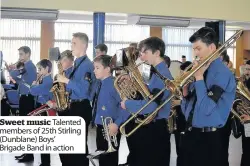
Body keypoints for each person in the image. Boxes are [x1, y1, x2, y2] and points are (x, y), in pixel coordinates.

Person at [180, 27, 236, 166]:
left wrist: (198, 78)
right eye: (194, 49)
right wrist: (185, 93)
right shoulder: (202, 69)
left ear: (211, 47)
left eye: (198, 49)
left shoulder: (222, 73)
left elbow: (206, 108)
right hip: (191, 134)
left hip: (209, 139)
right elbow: (188, 111)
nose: (195, 53)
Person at [120, 37, 173, 166]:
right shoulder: (151, 71)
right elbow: (142, 93)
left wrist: (127, 103)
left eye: (145, 53)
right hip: (148, 126)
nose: (141, 57)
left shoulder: (162, 74)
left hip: (154, 129)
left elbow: (152, 106)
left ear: (156, 53)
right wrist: (130, 83)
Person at [55, 32, 96, 166]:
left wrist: (66, 80)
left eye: (74, 43)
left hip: (80, 107)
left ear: (83, 46)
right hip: (71, 106)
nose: (71, 46)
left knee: (77, 149)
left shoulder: (87, 65)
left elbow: (84, 90)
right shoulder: (76, 64)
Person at [92, 55, 127, 166]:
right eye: (94, 68)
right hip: (100, 126)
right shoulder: (99, 84)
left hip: (111, 128)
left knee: (110, 160)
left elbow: (126, 107)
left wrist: (117, 124)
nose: (94, 70)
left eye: (97, 68)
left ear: (107, 69)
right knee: (102, 158)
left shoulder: (115, 84)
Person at [10, 46, 37, 162]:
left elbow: (14, 74)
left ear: (28, 54)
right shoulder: (25, 67)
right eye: (19, 54)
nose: (19, 57)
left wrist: (15, 67)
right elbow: (18, 78)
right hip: (24, 98)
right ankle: (26, 153)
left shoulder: (29, 66)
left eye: (21, 54)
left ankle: (29, 154)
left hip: (28, 99)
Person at [30, 59, 53, 166]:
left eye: (40, 69)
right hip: (42, 109)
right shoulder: (43, 79)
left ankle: (46, 163)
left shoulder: (48, 81)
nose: (38, 71)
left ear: (47, 69)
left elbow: (33, 91)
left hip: (46, 111)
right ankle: (44, 162)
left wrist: (34, 85)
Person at [238, 59, 250, 166]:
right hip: (247, 122)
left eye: (249, 69)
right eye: (246, 69)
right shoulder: (245, 82)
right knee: (246, 146)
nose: (247, 71)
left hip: (249, 119)